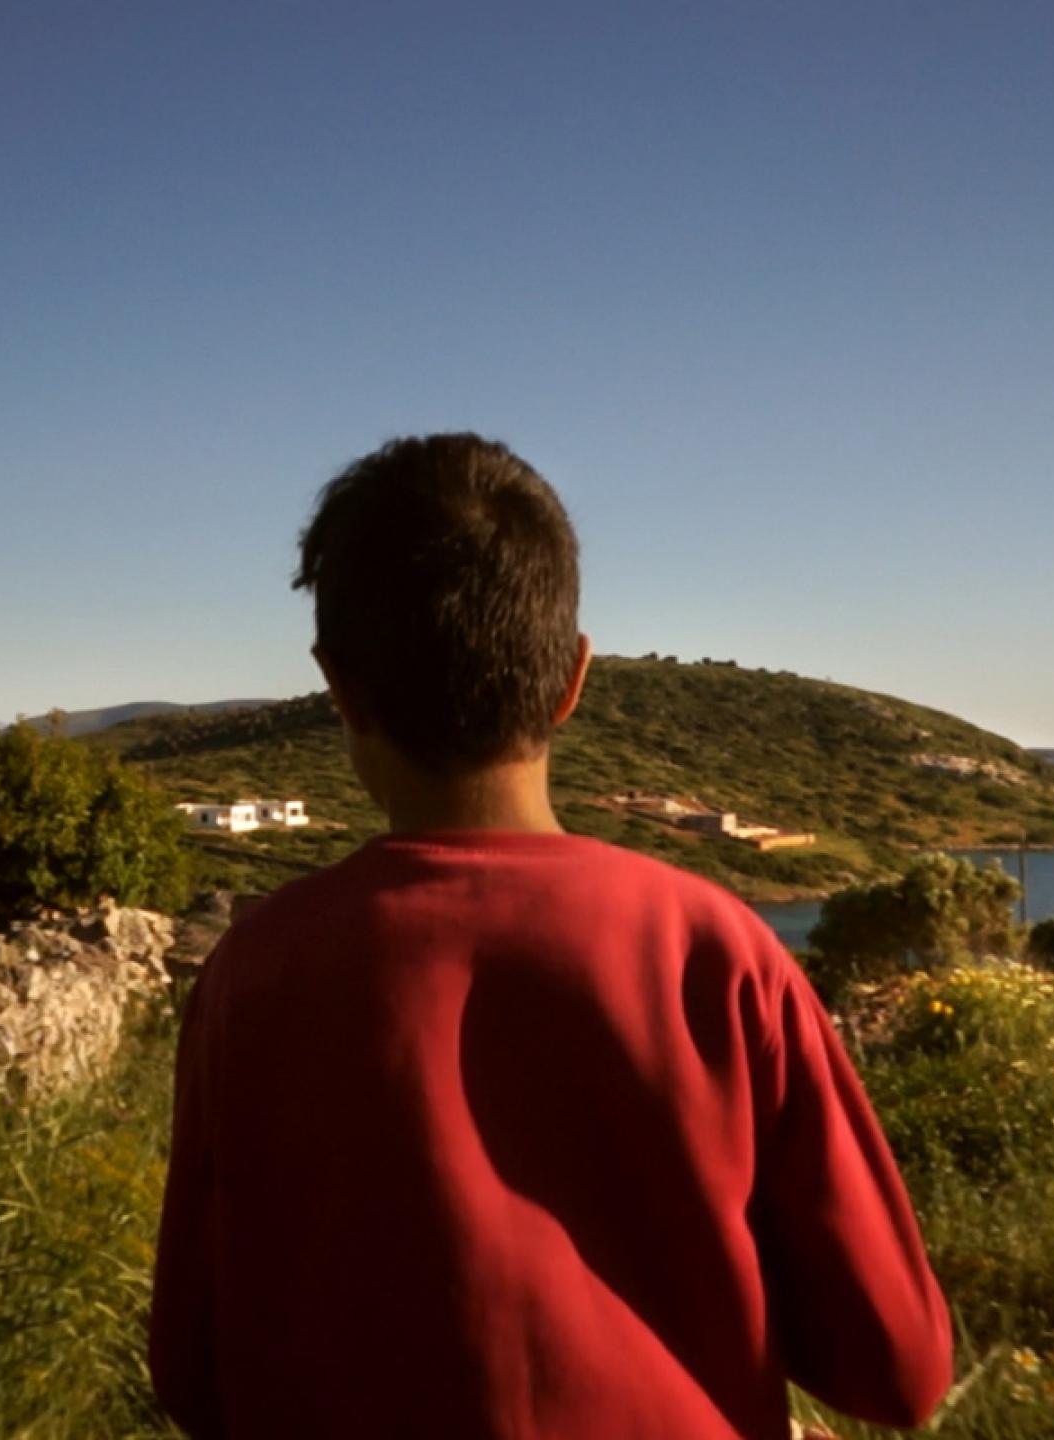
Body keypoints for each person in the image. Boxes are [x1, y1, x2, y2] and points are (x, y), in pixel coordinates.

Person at [149, 433, 952, 1438]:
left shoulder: (252, 976)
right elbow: (900, 1371)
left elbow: (189, 1371)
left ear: (339, 689)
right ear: (573, 679)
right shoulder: (719, 952)